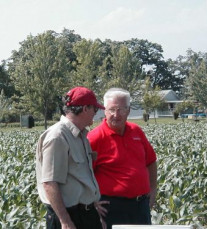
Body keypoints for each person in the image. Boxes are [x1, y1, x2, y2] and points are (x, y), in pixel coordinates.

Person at [36, 86, 109, 229]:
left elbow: (80, 177)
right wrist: (65, 222)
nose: (96, 113)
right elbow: (50, 183)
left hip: (86, 214)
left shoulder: (81, 136)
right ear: (85, 108)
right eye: (95, 109)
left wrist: (93, 208)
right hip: (68, 216)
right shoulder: (58, 137)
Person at [87, 88, 157, 229]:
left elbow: (151, 161)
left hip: (140, 206)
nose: (116, 115)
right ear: (105, 111)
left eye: (121, 109)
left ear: (129, 110)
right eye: (111, 109)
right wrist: (91, 203)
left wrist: (153, 189)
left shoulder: (136, 131)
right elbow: (84, 174)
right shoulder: (94, 138)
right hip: (111, 207)